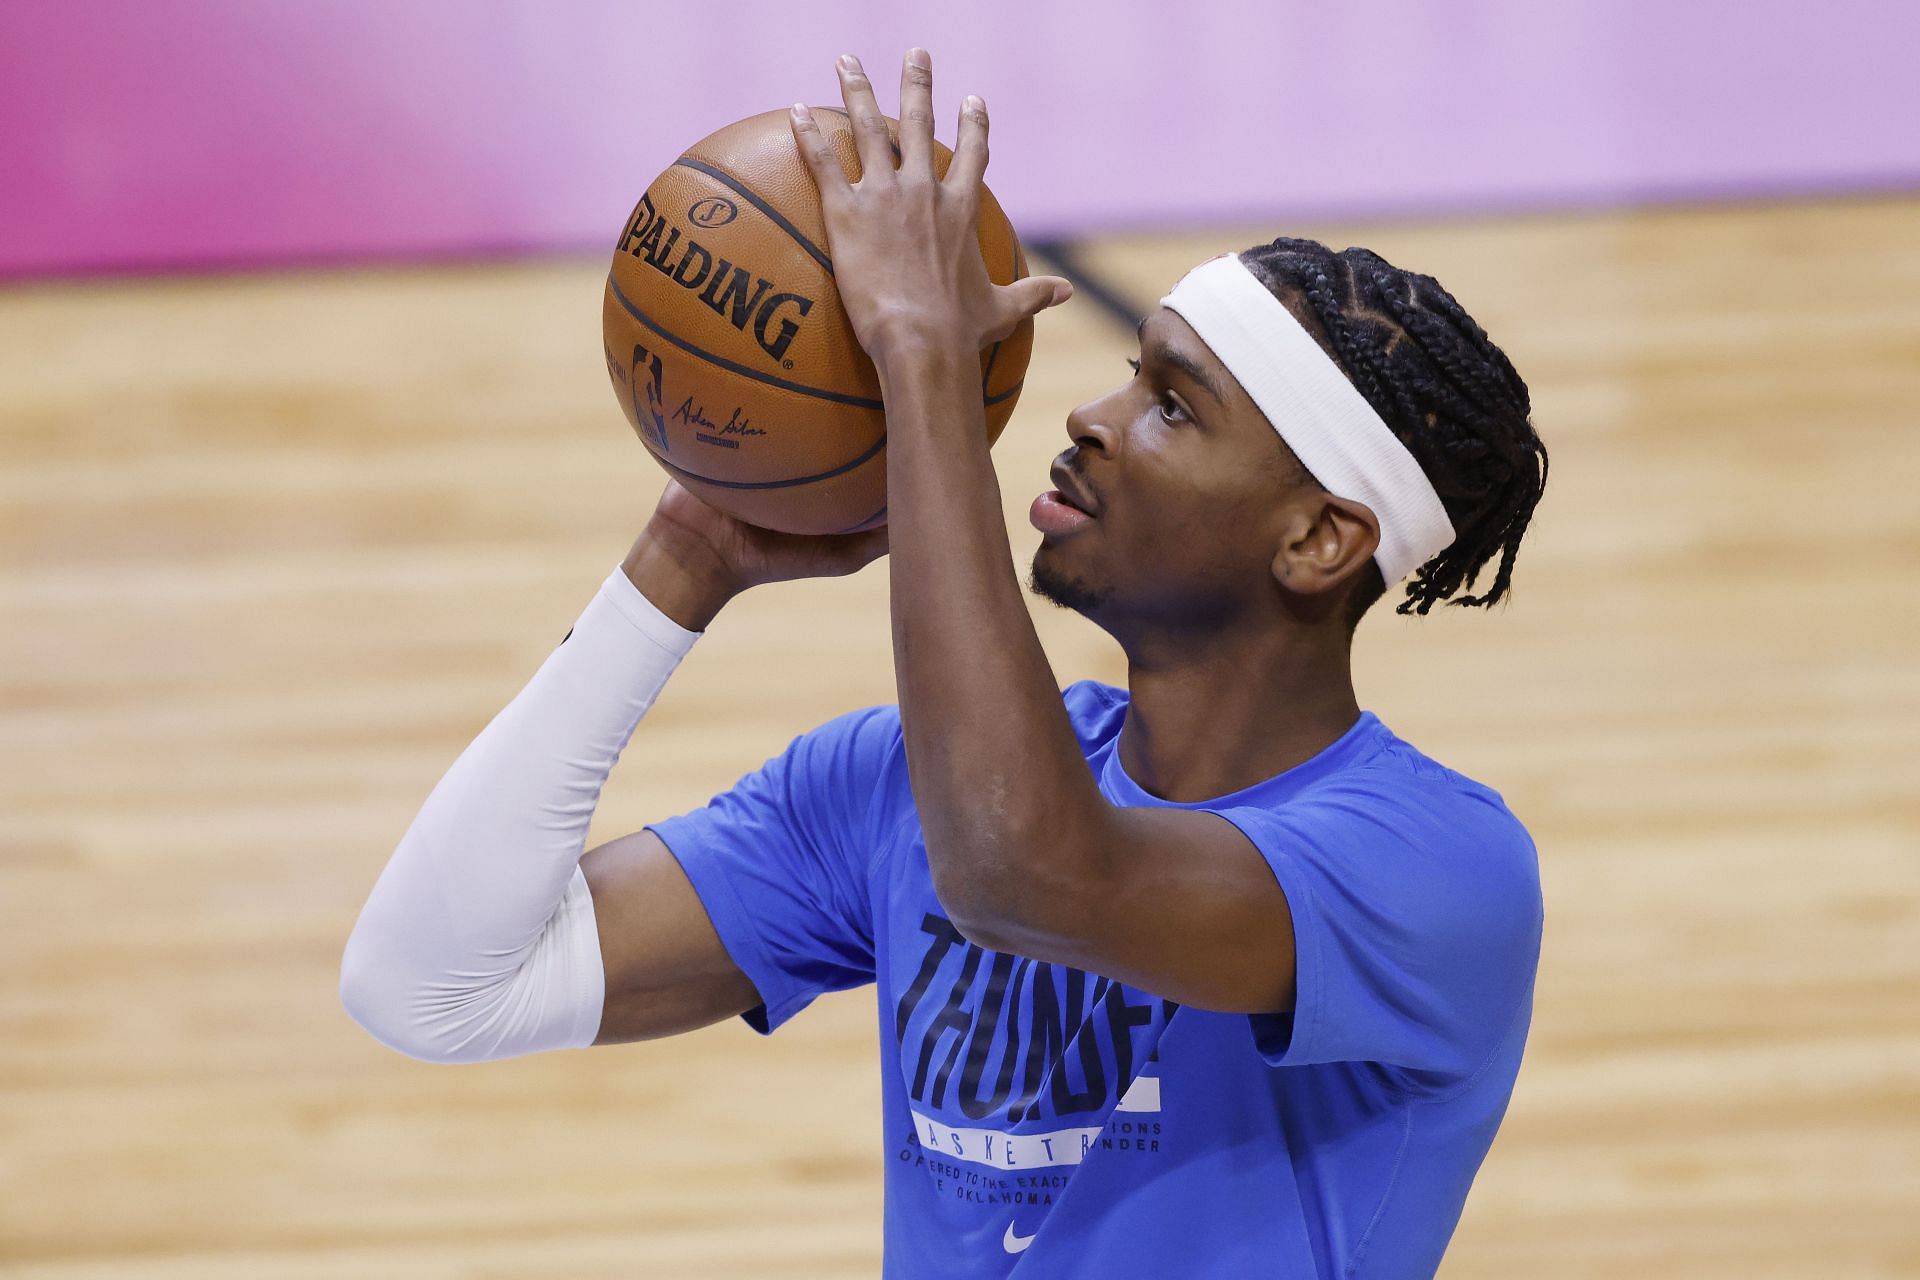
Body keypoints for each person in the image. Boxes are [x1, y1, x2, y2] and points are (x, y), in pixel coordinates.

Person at [341, 48, 1549, 1279]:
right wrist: (681, 558)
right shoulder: (890, 785)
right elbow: (435, 987)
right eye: (1133, 377)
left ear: (1317, 539)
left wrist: (921, 355)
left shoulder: (1434, 868)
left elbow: (1030, 871)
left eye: (1173, 405)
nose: (1092, 417)